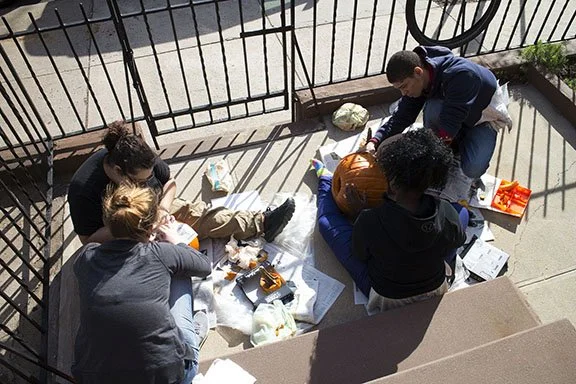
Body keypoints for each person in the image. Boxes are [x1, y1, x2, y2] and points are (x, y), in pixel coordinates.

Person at [312, 128, 467, 312]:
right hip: (434, 287)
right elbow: (458, 240)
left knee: (326, 221)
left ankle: (325, 179)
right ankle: (325, 179)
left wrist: (359, 213)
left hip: (388, 296)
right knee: (462, 213)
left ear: (392, 183)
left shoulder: (369, 219)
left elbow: (360, 255)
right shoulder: (445, 210)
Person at [68, 121, 295, 245]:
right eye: (140, 181)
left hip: (157, 213)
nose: (147, 183)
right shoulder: (83, 189)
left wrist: (163, 210)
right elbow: (88, 240)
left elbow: (170, 182)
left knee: (201, 215)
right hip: (123, 235)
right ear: (119, 171)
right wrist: (134, 226)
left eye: (149, 178)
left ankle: (262, 223)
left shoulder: (141, 156)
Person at [72, 183, 211, 383]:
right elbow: (204, 265)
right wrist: (175, 240)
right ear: (150, 228)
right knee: (181, 270)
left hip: (96, 377)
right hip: (169, 375)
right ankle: (188, 339)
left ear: (107, 223)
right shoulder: (160, 253)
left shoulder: (86, 258)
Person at [366, 46, 511, 180]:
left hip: (481, 119)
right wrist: (376, 141)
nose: (404, 93)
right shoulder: (421, 80)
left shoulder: (462, 75)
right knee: (434, 108)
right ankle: (452, 144)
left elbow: (450, 123)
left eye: (404, 86)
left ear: (418, 72)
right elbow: (401, 116)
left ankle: (454, 144)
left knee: (473, 170)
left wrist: (428, 157)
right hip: (453, 115)